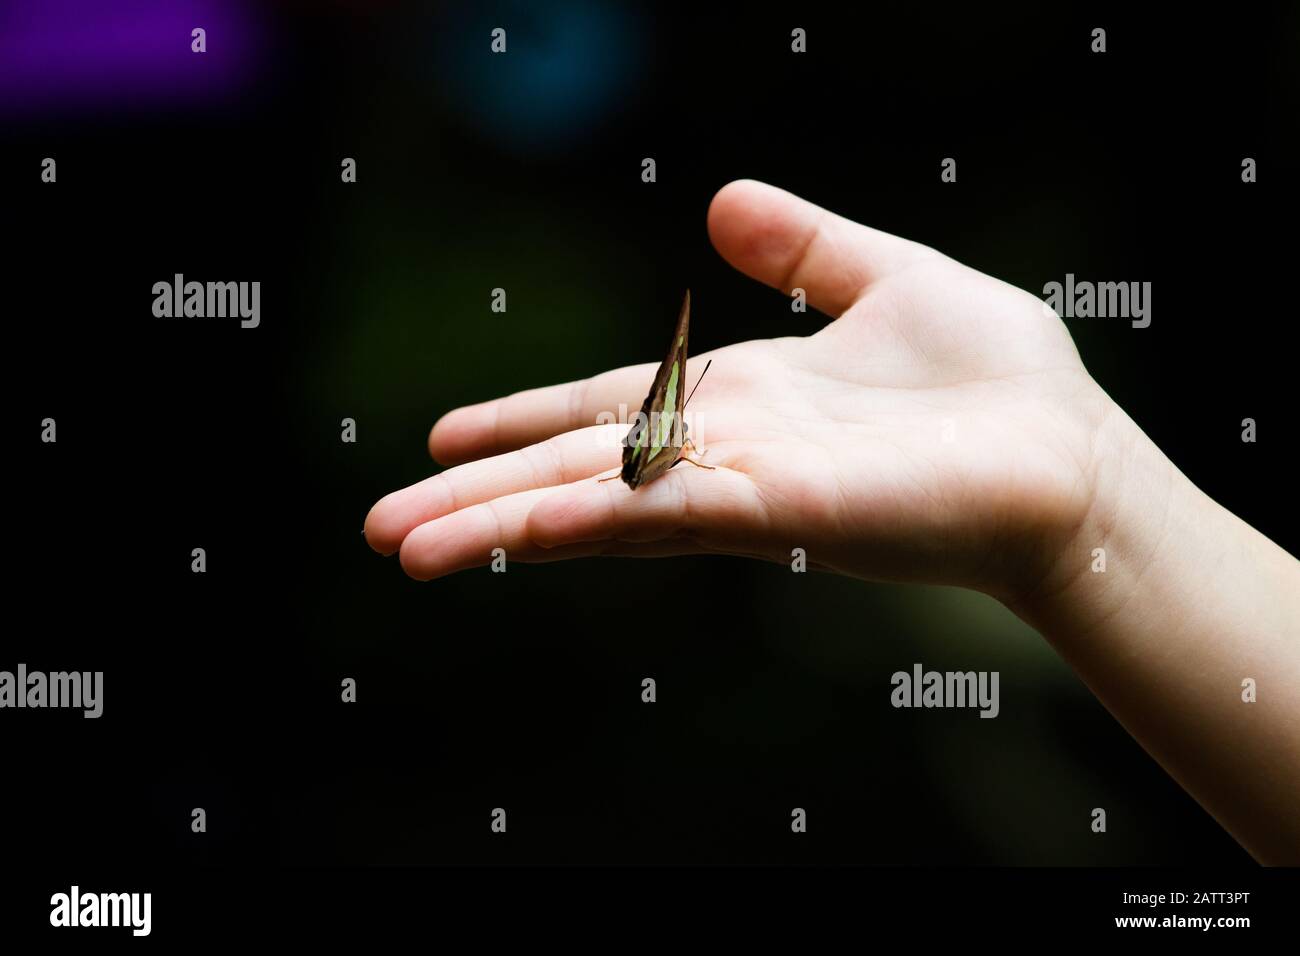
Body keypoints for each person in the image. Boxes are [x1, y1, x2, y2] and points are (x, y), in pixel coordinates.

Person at [364, 179, 1300, 865]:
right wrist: (1099, 501)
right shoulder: (668, 417)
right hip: (650, 445)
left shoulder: (683, 408)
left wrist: (1094, 490)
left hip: (659, 439)